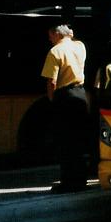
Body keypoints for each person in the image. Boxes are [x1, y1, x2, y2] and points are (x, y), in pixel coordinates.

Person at [41, 24, 90, 193]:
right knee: (78, 140)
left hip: (65, 96)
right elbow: (73, 38)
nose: (49, 39)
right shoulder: (80, 46)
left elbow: (52, 81)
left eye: (50, 35)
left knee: (65, 142)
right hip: (81, 94)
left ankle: (68, 182)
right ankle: (81, 180)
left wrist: (53, 100)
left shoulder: (55, 52)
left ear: (56, 34)